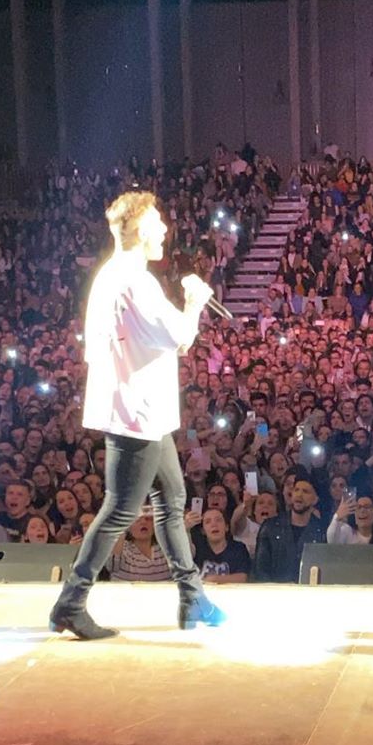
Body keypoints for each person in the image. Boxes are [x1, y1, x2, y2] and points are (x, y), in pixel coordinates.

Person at [49, 190, 223, 640]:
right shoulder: (135, 281)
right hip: (137, 414)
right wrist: (194, 301)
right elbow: (181, 337)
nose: (165, 230)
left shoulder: (111, 276)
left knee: (172, 500)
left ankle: (193, 597)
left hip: (144, 412)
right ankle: (71, 603)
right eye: (158, 223)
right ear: (141, 229)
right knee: (120, 510)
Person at [253, 474, 324, 582]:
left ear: (315, 499)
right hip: (275, 590)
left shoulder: (321, 531)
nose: (299, 495)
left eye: (305, 491)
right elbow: (260, 570)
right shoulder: (270, 527)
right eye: (296, 490)